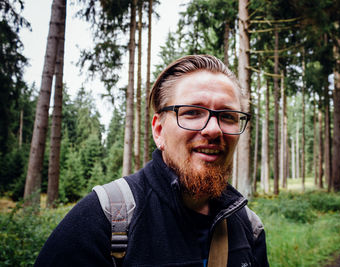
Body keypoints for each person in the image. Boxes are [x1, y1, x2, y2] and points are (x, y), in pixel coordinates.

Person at [35, 55, 269, 267]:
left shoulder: (249, 226)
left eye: (228, 116)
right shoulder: (104, 218)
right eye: (192, 112)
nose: (213, 129)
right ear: (158, 131)